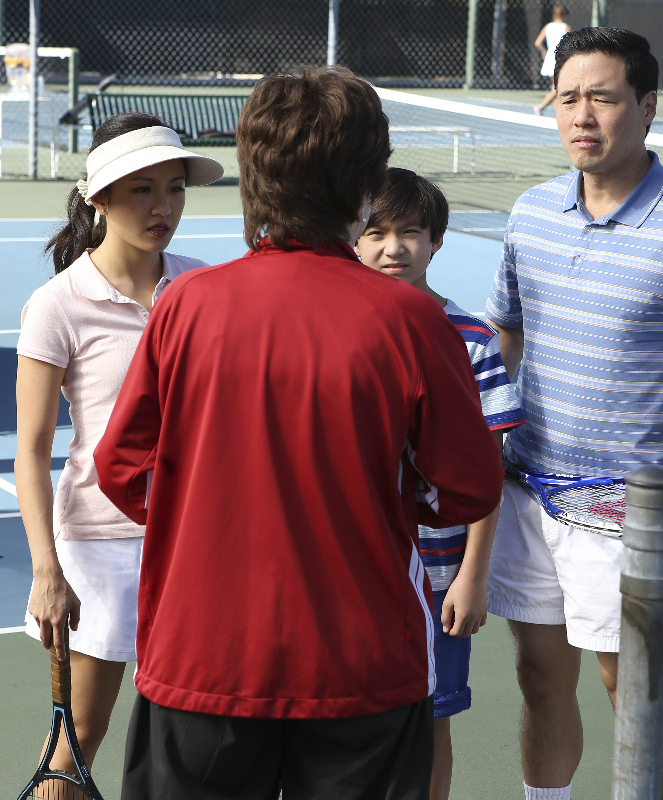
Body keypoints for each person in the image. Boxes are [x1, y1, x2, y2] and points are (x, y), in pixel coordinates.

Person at [93, 66, 504, 800]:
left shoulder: (186, 304)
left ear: (254, 177)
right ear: (367, 187)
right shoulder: (410, 320)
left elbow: (122, 468)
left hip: (202, 655)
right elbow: (466, 485)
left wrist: (210, 520)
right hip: (362, 662)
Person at [484, 27, 663, 799]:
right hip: (529, 490)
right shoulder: (531, 212)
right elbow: (504, 334)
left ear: (646, 107)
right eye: (568, 98)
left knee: (630, 691)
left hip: (625, 515)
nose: (582, 115)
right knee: (540, 676)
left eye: (603, 98)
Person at [14, 112, 223, 785]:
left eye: (175, 188)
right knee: (80, 740)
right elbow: (33, 449)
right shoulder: (56, 304)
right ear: (99, 199)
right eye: (142, 190)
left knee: (198, 736)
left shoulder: (202, 288)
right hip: (97, 547)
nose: (163, 207)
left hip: (194, 541)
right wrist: (47, 571)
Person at [355, 167, 525, 800]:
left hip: (437, 576)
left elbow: (486, 470)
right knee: (341, 727)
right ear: (352, 236)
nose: (392, 248)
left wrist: (471, 576)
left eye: (410, 232)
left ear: (437, 241)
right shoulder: (334, 329)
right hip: (353, 568)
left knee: (429, 727)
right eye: (375, 232)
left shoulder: (473, 340)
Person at [533, 6, 571, 116]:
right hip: (559, 58)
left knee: (555, 88)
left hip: (550, 58)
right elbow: (569, 44)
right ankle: (541, 107)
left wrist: (543, 51)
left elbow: (537, 42)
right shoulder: (566, 27)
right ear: (565, 16)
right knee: (557, 88)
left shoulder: (548, 26)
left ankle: (559, 114)